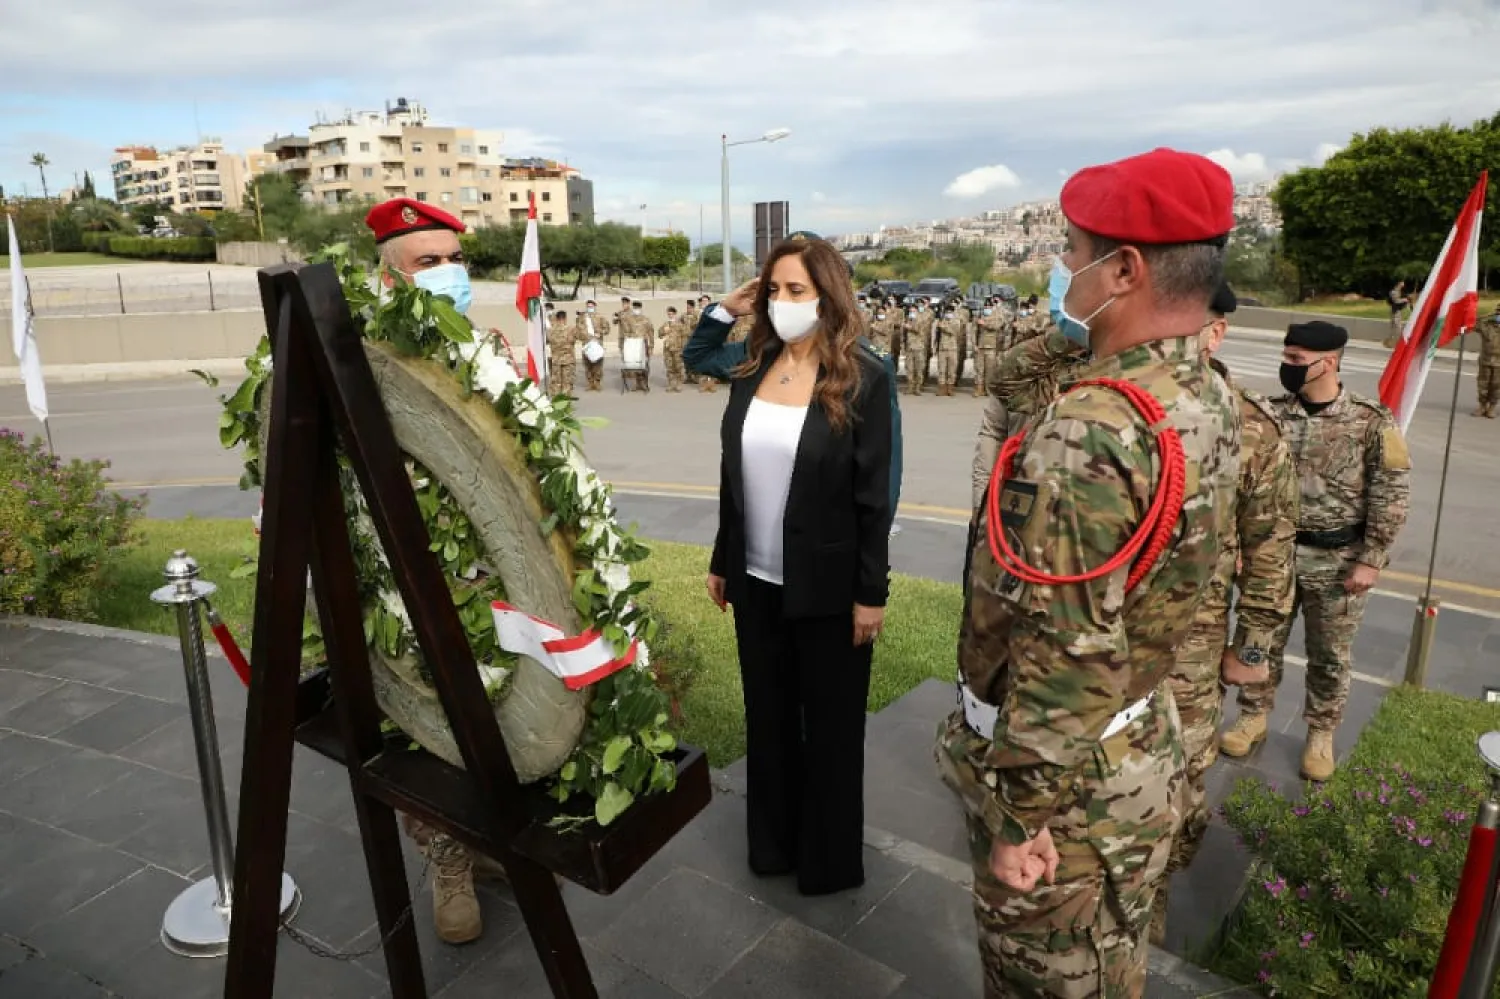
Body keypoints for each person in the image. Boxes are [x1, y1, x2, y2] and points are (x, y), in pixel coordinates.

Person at [935, 147, 1242, 996]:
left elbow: (1069, 655)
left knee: (1045, 981)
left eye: (1071, 253)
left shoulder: (1091, 429)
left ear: (1125, 269)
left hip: (1068, 800)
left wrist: (1017, 817)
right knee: (1113, 970)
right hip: (1133, 750)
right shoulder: (1203, 394)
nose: (1062, 271)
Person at [701, 236, 893, 896]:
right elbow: (734, 476)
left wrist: (871, 593)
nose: (783, 302)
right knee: (770, 718)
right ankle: (773, 845)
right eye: (774, 289)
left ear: (828, 296)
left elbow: (876, 496)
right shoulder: (755, 363)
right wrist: (725, 310)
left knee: (832, 730)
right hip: (754, 584)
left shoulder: (865, 376)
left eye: (797, 290)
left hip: (832, 589)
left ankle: (829, 860)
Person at [364, 196, 514, 945]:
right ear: (391, 279)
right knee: (424, 722)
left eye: (458, 261)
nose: (451, 274)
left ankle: (486, 839)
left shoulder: (487, 349)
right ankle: (446, 856)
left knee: (496, 712)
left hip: (495, 578)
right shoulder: (364, 362)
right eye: (431, 263)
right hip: (410, 581)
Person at [1151, 280, 1297, 946]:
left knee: (1181, 782)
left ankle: (1149, 903)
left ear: (1217, 333)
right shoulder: (1122, 406)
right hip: (1103, 645)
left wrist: (1255, 645)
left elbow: (1271, 548)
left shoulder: (1249, 425)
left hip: (1193, 646)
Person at [1221, 319, 1411, 780]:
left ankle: (1321, 733)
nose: (1285, 367)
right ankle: (1253, 715)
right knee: (1259, 640)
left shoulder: (1370, 420)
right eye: (1286, 357)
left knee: (1330, 655)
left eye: (1294, 360)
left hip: (1339, 560)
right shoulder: (1271, 414)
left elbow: (1391, 492)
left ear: (1328, 363)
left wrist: (1372, 557)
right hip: (1274, 556)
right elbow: (1240, 483)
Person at [968, 327, 1087, 509]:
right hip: (1020, 494)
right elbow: (992, 433)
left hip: (1073, 501)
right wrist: (982, 501)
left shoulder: (1101, 367)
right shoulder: (1023, 364)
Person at [620, 299, 653, 392]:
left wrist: (651, 347)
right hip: (633, 345)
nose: (636, 309)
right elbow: (625, 332)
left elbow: (651, 333)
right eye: (635, 308)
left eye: (638, 308)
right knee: (635, 365)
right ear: (633, 308)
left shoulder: (646, 319)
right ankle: (637, 384)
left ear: (641, 308)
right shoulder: (628, 319)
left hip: (643, 345)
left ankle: (644, 384)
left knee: (645, 365)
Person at [573, 300, 606, 391]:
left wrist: (600, 333)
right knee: (587, 364)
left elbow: (607, 329)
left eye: (591, 306)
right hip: (586, 343)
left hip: (597, 343)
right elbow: (578, 329)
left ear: (595, 306)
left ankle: (597, 383)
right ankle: (590, 383)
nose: (589, 308)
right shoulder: (583, 317)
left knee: (598, 364)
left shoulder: (600, 317)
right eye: (588, 306)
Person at [1474, 303, 1500, 417]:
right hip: (1485, 360)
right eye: (1498, 311)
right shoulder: (1487, 325)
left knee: (1496, 386)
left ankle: (1492, 408)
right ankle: (1482, 406)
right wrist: (1487, 315)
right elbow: (1473, 323)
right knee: (1482, 385)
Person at [546, 309, 576, 396]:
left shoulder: (550, 331)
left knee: (556, 382)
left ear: (556, 318)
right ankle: (565, 403)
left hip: (556, 360)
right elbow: (580, 336)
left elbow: (548, 341)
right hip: (568, 360)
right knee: (567, 382)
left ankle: (556, 401)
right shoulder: (571, 329)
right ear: (565, 318)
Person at [934, 307, 963, 396]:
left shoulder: (956, 321)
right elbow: (937, 334)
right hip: (942, 348)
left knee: (952, 370)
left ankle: (950, 388)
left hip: (952, 349)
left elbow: (954, 331)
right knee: (941, 370)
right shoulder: (942, 320)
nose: (948, 314)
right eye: (947, 312)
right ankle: (942, 388)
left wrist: (943, 326)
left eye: (950, 312)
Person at [660, 305, 688, 392]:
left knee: (678, 367)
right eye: (669, 314)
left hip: (677, 349)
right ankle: (671, 384)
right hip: (668, 349)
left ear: (675, 314)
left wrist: (683, 349)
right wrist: (663, 331)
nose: (670, 315)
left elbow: (684, 337)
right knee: (669, 367)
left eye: (671, 314)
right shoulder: (665, 324)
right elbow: (660, 335)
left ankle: (679, 384)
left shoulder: (680, 324)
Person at [1384, 280, 1410, 348]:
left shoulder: (1400, 292)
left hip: (1398, 311)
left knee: (1395, 327)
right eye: (1401, 283)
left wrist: (1406, 302)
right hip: (1394, 311)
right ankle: (1393, 343)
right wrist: (1405, 300)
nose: (1403, 284)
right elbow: (1396, 301)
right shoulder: (1394, 292)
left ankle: (1389, 343)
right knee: (1397, 327)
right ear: (1398, 284)